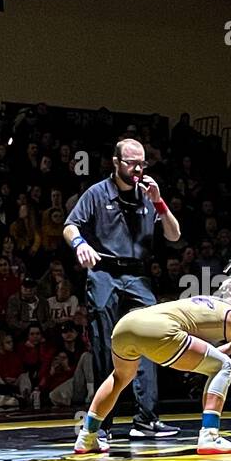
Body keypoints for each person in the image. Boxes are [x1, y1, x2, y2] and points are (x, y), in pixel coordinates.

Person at [73, 259, 231, 455]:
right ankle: (210, 435)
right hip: (162, 330)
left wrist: (227, 348)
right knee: (224, 366)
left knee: (120, 377)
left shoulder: (207, 302)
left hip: (126, 325)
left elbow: (196, 349)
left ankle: (87, 436)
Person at [63, 137, 181, 441]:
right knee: (105, 346)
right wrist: (80, 245)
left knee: (152, 339)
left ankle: (146, 420)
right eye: (132, 163)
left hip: (138, 275)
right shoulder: (97, 193)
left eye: (142, 163)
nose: (138, 168)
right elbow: (70, 225)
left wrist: (159, 202)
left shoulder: (147, 195)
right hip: (104, 272)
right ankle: (102, 425)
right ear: (116, 163)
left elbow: (174, 234)